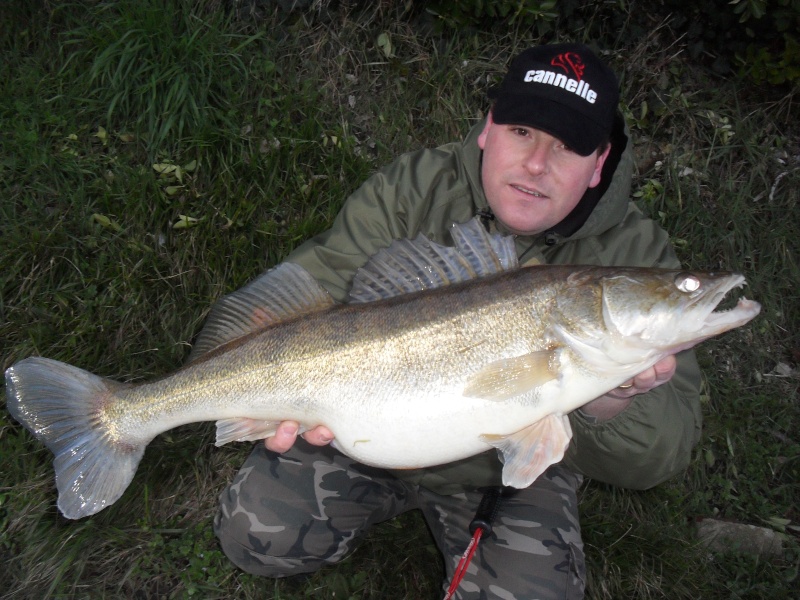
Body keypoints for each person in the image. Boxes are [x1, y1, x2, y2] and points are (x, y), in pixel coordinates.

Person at [211, 43, 702, 599]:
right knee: (255, 538)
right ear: (489, 127)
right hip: (355, 432)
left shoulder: (636, 255)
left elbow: (661, 455)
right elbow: (306, 292)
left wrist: (608, 402)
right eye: (522, 132)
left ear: (599, 165)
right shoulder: (414, 187)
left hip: (504, 471)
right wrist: (276, 392)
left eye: (567, 147)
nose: (537, 164)